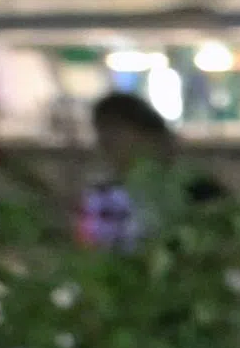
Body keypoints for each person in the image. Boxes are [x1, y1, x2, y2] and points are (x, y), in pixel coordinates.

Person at [78, 87, 182, 251]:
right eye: (104, 134)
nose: (107, 144)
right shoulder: (102, 195)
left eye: (117, 133)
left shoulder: (191, 189)